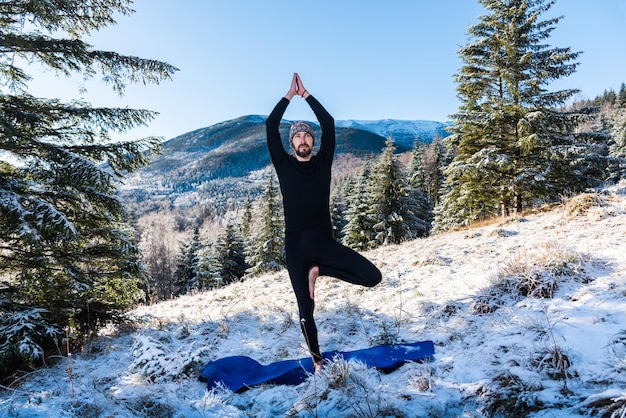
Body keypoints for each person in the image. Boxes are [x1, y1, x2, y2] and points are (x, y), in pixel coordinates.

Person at [266, 73, 382, 372]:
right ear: (291, 143)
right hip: (296, 246)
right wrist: (288, 96)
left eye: (306, 135)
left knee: (373, 277)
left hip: (324, 241)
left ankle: (319, 270)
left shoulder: (323, 161)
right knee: (305, 308)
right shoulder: (284, 164)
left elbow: (328, 123)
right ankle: (317, 360)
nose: (302, 139)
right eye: (297, 136)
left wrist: (306, 95)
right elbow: (270, 125)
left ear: (312, 142)